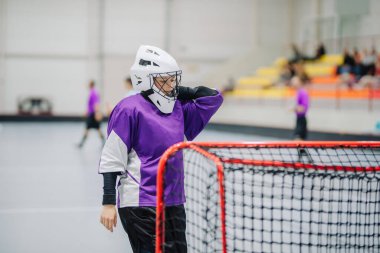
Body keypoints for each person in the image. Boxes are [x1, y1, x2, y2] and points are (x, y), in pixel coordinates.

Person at [98, 45, 223, 253]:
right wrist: (108, 203)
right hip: (140, 202)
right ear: (146, 80)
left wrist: (184, 92)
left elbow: (212, 98)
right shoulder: (128, 109)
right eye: (165, 79)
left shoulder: (178, 108)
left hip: (174, 200)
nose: (172, 83)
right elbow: (112, 158)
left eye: (173, 78)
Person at [77, 80, 105, 148]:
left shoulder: (93, 93)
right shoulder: (92, 92)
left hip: (93, 114)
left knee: (89, 128)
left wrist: (97, 113)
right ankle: (104, 142)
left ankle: (81, 143)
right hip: (91, 113)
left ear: (91, 84)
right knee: (96, 128)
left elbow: (96, 104)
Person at [291, 76, 309, 140]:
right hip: (299, 119)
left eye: (294, 81)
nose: (292, 83)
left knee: (298, 140)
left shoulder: (303, 92)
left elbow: (304, 107)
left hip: (301, 120)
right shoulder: (298, 92)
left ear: (299, 82)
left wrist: (294, 108)